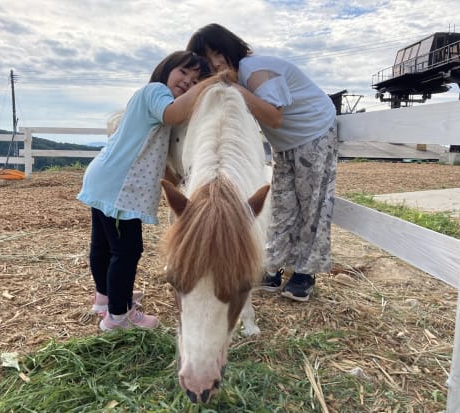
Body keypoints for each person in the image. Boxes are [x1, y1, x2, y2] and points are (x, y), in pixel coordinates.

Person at [187, 24, 338, 302]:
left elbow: (274, 117)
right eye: (207, 60)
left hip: (313, 131)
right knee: (282, 204)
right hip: (286, 144)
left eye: (217, 53)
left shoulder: (255, 71)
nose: (215, 63)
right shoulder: (241, 78)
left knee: (312, 204)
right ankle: (272, 268)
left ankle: (304, 273)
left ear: (230, 48)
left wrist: (233, 87)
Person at [77, 51, 211, 331]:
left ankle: (105, 298)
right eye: (184, 73)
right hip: (120, 187)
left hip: (105, 177)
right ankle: (119, 316)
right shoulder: (156, 92)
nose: (188, 82)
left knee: (102, 246)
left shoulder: (149, 99)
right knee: (126, 251)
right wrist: (208, 85)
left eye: (196, 78)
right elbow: (173, 113)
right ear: (166, 69)